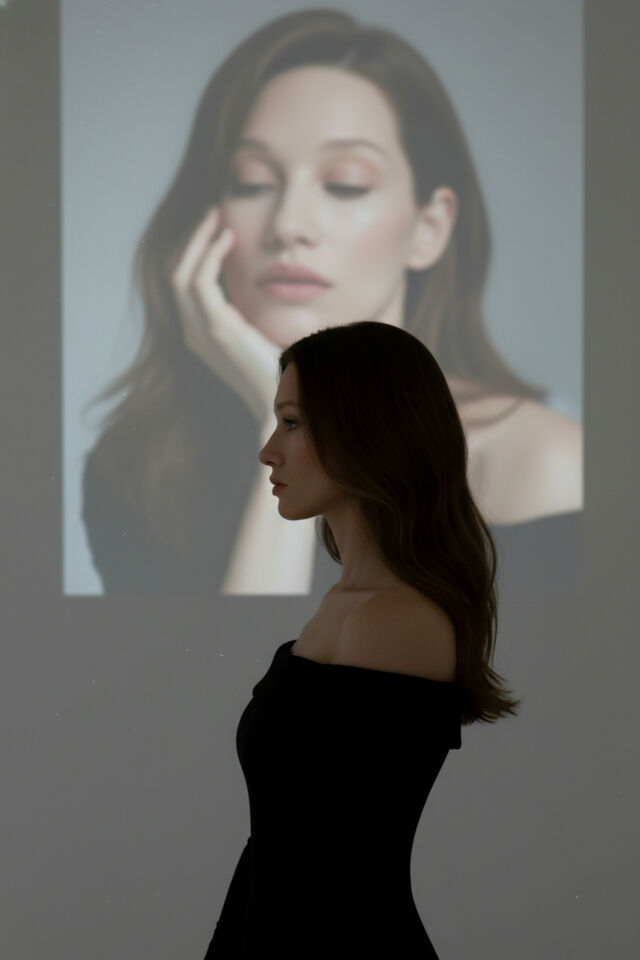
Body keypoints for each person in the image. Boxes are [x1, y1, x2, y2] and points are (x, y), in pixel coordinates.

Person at [81, 8, 582, 595]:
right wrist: (284, 420)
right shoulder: (139, 469)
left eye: (346, 183)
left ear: (429, 228)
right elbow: (249, 655)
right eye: (252, 182)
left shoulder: (542, 461)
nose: (288, 225)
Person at [202, 320, 519, 958]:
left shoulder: (392, 621)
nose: (268, 451)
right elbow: (283, 857)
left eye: (292, 423)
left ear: (366, 431)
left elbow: (328, 876)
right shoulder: (346, 608)